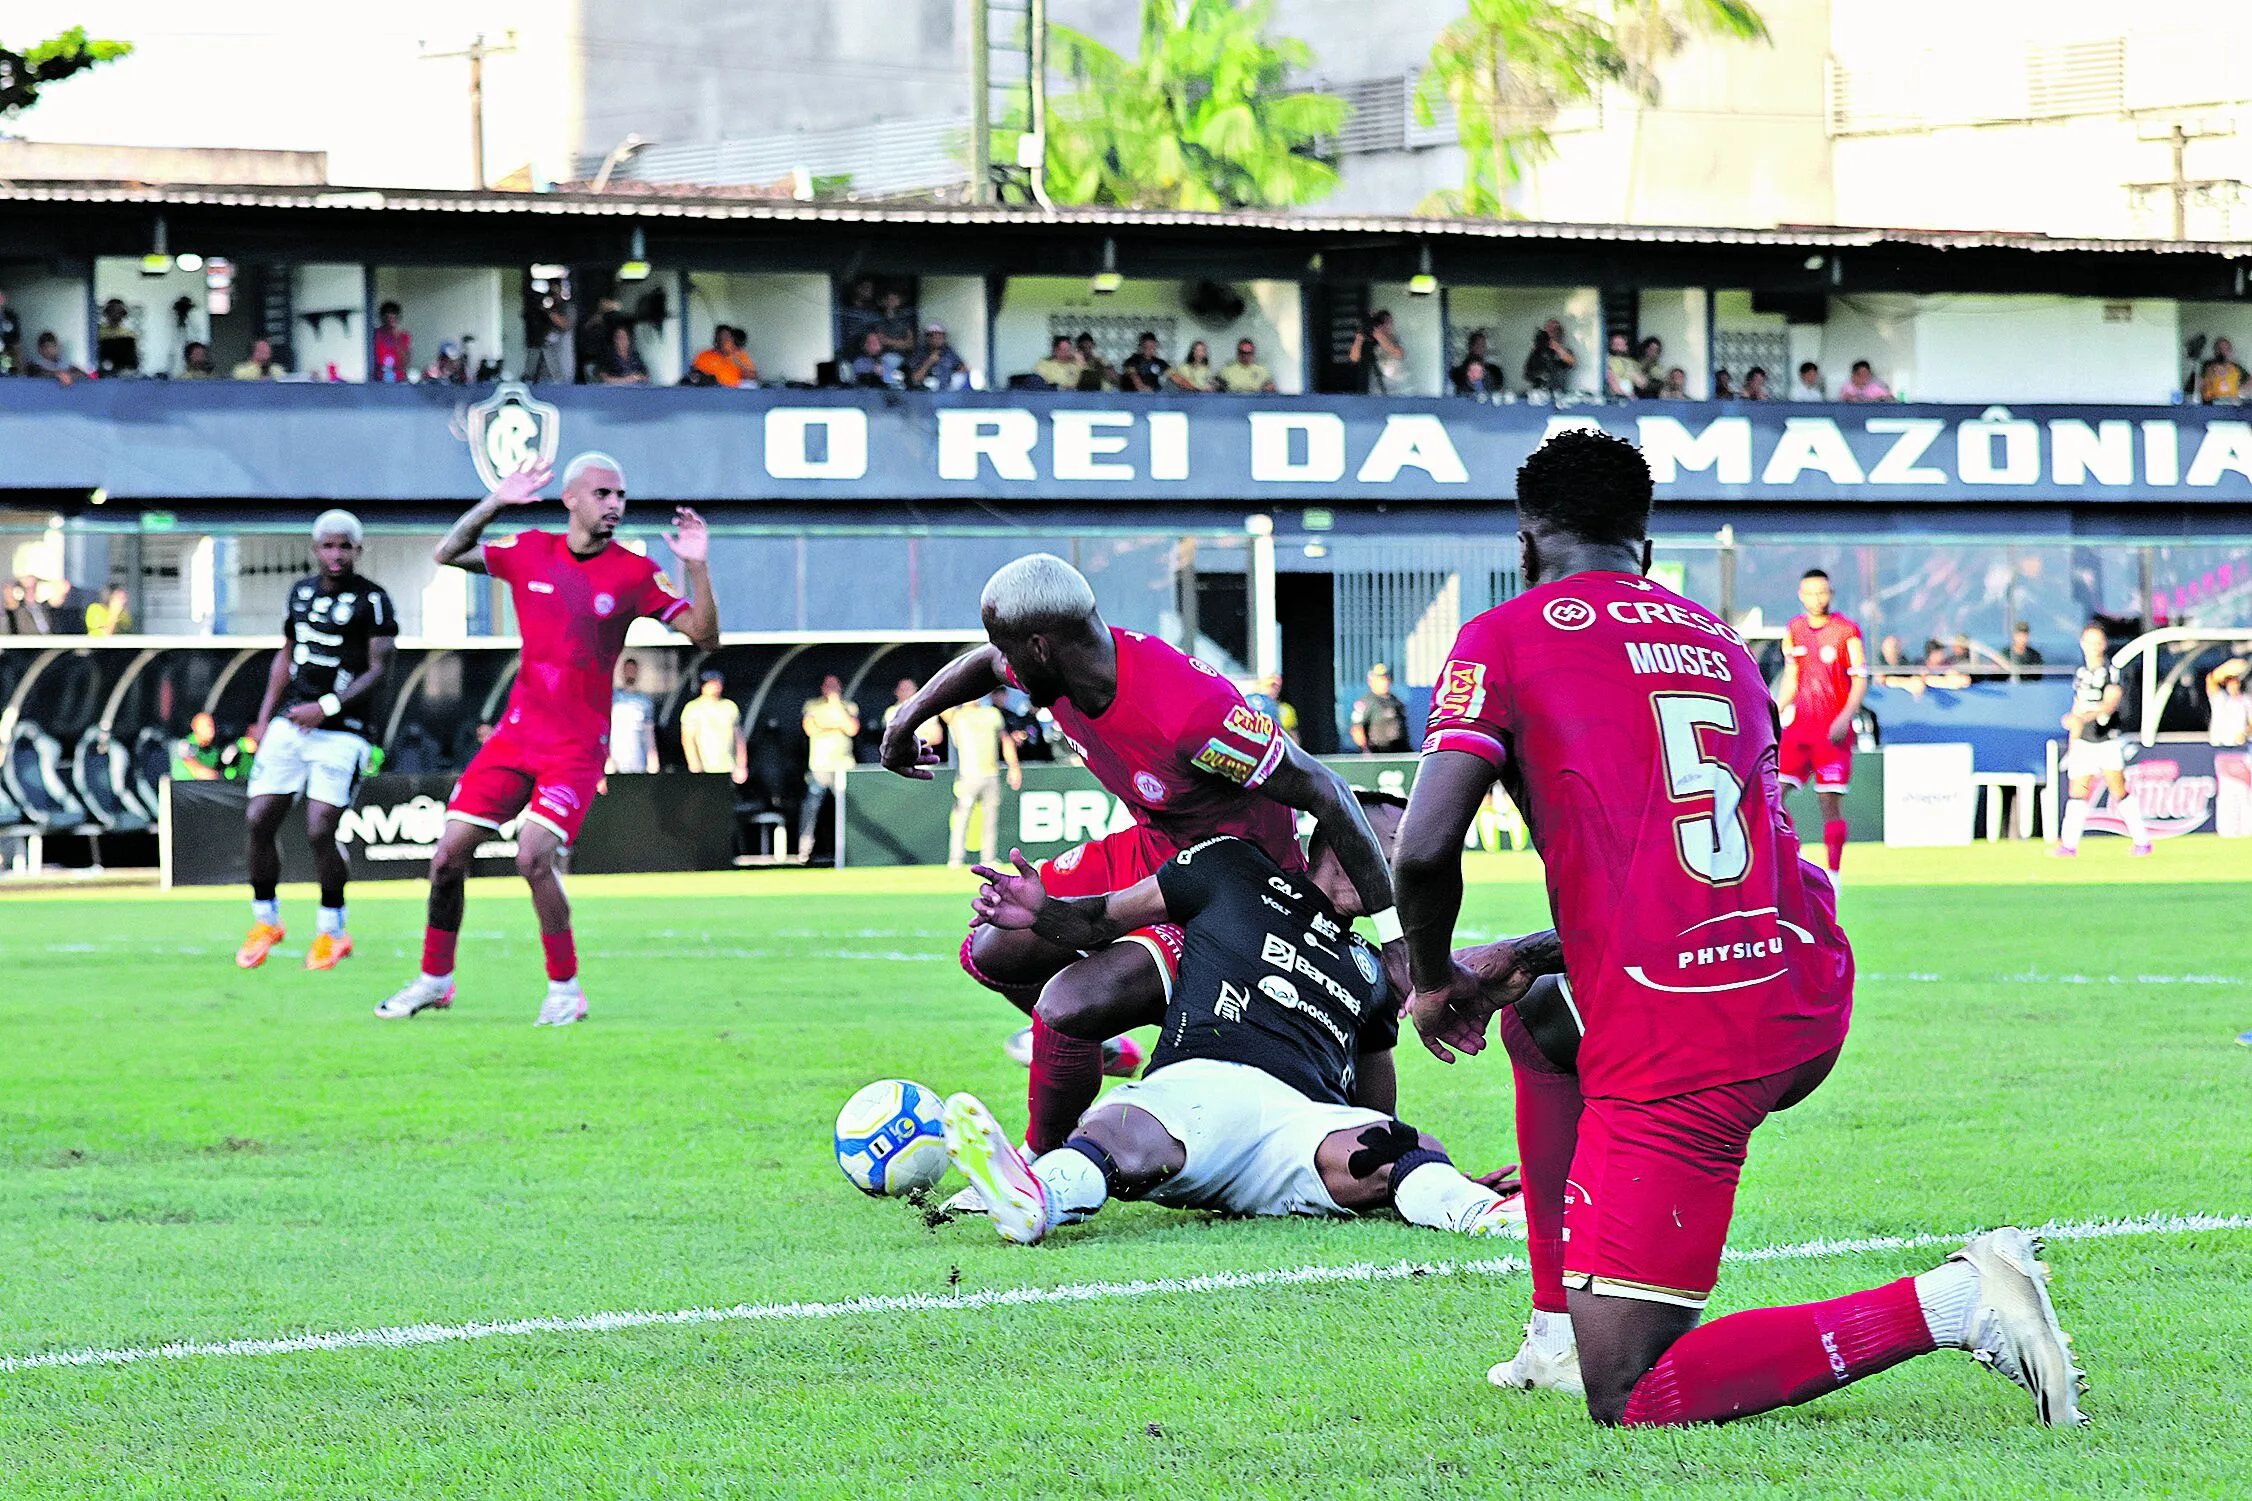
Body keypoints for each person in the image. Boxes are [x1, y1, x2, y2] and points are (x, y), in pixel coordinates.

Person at [1392, 426, 2086, 1429]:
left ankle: (1954, 1301)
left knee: (1628, 1389)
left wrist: (1428, 977)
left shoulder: (1505, 634)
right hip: (1796, 978)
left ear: (1524, 536)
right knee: (1541, 1013)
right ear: (1643, 536)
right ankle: (1552, 1326)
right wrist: (1530, 954)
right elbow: (1702, 866)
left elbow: (1420, 849)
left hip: (1690, 1031)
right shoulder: (1714, 642)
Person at [878, 553, 1405, 1165]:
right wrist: (905, 721)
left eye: (1010, 650)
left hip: (1236, 881)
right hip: (1154, 845)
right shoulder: (1061, 663)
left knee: (1067, 1007)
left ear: (1042, 646)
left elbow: (1329, 792)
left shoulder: (1191, 714)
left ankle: (1042, 1162)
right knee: (993, 950)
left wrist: (1393, 935)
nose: (1003, 666)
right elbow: (983, 664)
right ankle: (1103, 1048)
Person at [946, 795, 1522, 1244]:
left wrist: (1417, 1166)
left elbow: (1374, 1110)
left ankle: (1483, 1214)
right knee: (1119, 1130)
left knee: (1404, 1144)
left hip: (1297, 1127)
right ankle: (1038, 1198)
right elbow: (1102, 918)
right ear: (1348, 838)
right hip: (1191, 1090)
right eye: (1395, 846)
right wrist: (1044, 911)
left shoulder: (1374, 967)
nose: (1405, 867)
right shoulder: (1230, 867)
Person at [375, 453, 720, 1024]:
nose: (614, 505)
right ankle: (435, 979)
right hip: (515, 738)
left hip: (576, 748)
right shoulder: (530, 548)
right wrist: (496, 502)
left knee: (533, 856)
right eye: (603, 493)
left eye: (620, 495)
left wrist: (699, 568)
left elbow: (704, 637)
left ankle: (565, 991)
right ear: (572, 500)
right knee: (446, 858)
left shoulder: (633, 572)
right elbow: (447, 553)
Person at [236, 512, 398, 973]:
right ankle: (266, 920)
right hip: (293, 722)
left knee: (320, 828)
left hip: (342, 731)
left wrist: (326, 707)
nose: (336, 554)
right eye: (328, 546)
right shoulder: (301, 593)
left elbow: (379, 670)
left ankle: (332, 930)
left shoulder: (375, 600)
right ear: (315, 549)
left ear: (358, 550)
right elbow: (286, 655)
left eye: (345, 546)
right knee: (258, 817)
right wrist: (265, 718)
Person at [1773, 568, 1867, 879]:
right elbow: (1792, 678)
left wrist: (1845, 717)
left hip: (1832, 732)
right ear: (1801, 595)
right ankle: (1794, 857)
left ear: (1831, 593)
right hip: (1799, 730)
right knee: (1773, 793)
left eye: (1822, 592)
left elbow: (1860, 681)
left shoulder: (1846, 631)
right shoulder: (1794, 630)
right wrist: (1774, 710)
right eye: (1810, 593)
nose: (1817, 598)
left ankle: (1834, 874)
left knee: (1829, 803)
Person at [2055, 621, 2152, 858]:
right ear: (2082, 644)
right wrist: (2073, 739)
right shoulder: (2081, 674)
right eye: (2089, 642)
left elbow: (2110, 703)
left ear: (2104, 645)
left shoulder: (2111, 671)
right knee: (2078, 791)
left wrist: (2082, 717)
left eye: (2097, 642)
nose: (2093, 647)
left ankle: (2142, 841)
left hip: (2106, 741)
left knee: (2118, 790)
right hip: (2085, 742)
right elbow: (2077, 705)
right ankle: (2069, 845)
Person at [941, 688, 1021, 869]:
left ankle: (988, 858)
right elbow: (940, 704)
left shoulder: (992, 714)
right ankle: (955, 859)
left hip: (991, 773)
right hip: (968, 774)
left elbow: (1006, 741)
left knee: (990, 819)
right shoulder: (957, 716)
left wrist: (1014, 767)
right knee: (962, 818)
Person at [798, 674, 860, 861]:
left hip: (844, 766)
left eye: (835, 686)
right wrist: (836, 725)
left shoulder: (848, 707)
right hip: (820, 766)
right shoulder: (812, 706)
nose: (832, 689)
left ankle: (852, 851)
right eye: (829, 686)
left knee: (849, 809)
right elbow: (811, 729)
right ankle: (804, 851)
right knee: (812, 806)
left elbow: (851, 729)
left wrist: (836, 707)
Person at [680, 671, 745, 781]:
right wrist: (694, 764)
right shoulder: (692, 708)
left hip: (728, 767)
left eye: (717, 682)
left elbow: (739, 738)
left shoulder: (730, 706)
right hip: (705, 768)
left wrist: (741, 765)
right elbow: (687, 740)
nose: (715, 686)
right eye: (711, 683)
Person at [607, 657, 659, 775]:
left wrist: (652, 759)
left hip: (638, 761)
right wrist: (607, 758)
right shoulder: (612, 698)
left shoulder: (645, 701)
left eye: (633, 670)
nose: (630, 673)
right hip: (615, 762)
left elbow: (649, 732)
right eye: (627, 670)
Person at [1350, 663, 1410, 753]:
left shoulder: (1396, 701)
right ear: (1371, 682)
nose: (1384, 683)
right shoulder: (1366, 702)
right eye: (1380, 680)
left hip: (1398, 750)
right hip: (1378, 751)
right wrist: (1366, 751)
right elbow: (1357, 729)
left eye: (1386, 679)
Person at [1350, 310, 1408, 394]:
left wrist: (1380, 337)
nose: (1386, 325)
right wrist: (1359, 338)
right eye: (1382, 322)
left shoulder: (1396, 339)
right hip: (1375, 392)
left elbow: (1398, 354)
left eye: (1388, 322)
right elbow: (1354, 358)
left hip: (1398, 390)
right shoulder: (1369, 341)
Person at [690, 325, 758, 388]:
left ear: (731, 339)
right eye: (720, 337)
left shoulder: (740, 355)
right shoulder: (704, 355)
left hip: (733, 393)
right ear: (715, 339)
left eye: (726, 337)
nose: (723, 341)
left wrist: (735, 360)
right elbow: (694, 378)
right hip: (710, 393)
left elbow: (752, 377)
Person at [1242, 673, 1299, 744]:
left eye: (1277, 687)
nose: (1275, 689)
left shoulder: (1286, 709)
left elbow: (1293, 736)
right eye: (1271, 686)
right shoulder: (1248, 702)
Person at [910, 323, 968, 390]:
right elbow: (915, 379)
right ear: (928, 338)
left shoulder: (948, 351)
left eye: (940, 337)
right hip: (927, 393)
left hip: (948, 390)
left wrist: (959, 372)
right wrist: (929, 362)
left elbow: (962, 367)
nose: (938, 340)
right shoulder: (920, 353)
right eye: (934, 337)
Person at [1520, 321, 1574, 393]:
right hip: (1540, 394)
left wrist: (1555, 346)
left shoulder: (1564, 351)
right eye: (1547, 330)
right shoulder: (1538, 352)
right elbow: (1527, 374)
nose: (1550, 333)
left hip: (1557, 393)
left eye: (1553, 330)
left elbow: (1571, 361)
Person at [172, 712, 227, 781]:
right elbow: (199, 772)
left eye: (213, 726)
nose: (211, 730)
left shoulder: (214, 750)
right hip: (184, 787)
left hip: (205, 788)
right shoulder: (187, 745)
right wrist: (217, 776)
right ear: (195, 727)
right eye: (208, 726)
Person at [2208, 657, 2250, 746]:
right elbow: (2210, 680)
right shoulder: (2220, 697)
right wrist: (2226, 668)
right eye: (2230, 682)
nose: (2233, 685)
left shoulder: (2246, 701)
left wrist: (2245, 732)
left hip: (2238, 746)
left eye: (2235, 681)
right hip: (2218, 744)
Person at [95, 298, 138, 376]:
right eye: (112, 312)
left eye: (119, 313)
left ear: (123, 315)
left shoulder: (128, 334)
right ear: (106, 314)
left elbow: (133, 362)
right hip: (101, 372)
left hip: (122, 373)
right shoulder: (97, 331)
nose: (116, 315)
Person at [374, 301, 412, 384]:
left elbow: (405, 361)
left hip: (398, 379)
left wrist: (396, 337)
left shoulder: (403, 336)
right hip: (378, 379)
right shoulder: (375, 334)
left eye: (393, 314)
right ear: (382, 317)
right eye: (387, 314)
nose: (390, 317)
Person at [2200, 338, 2247, 404]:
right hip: (2211, 403)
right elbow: (2199, 382)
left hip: (2231, 403)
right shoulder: (2206, 365)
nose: (2222, 351)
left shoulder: (2236, 367)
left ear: (2230, 351)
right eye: (2219, 348)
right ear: (2214, 350)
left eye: (2225, 349)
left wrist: (2240, 391)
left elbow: (2250, 380)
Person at [1602, 333, 1637, 399]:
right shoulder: (1607, 360)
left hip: (1629, 398)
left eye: (1620, 344)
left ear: (1626, 347)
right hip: (1615, 398)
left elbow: (1639, 382)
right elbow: (1612, 381)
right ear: (1611, 346)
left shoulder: (1629, 362)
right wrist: (1627, 397)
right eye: (1615, 344)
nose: (1617, 347)